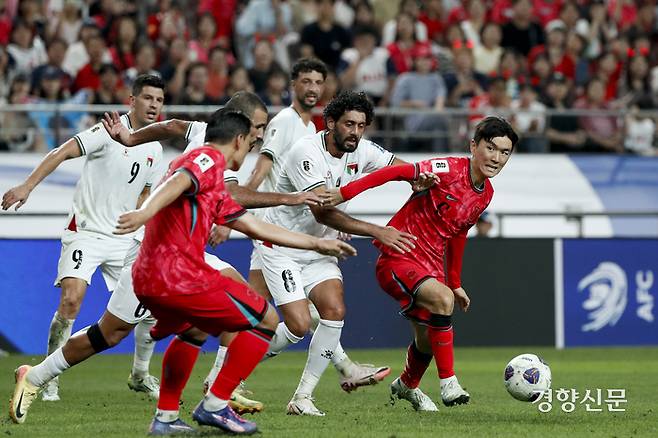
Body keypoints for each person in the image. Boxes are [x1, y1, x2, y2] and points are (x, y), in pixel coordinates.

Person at [204, 59, 391, 396]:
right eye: (306, 81)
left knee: (265, 311)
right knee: (282, 317)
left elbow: (326, 188)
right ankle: (226, 377)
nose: (313, 88)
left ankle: (225, 377)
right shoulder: (286, 124)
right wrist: (232, 214)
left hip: (296, 230)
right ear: (293, 84)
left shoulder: (313, 129)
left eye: (319, 81)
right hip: (274, 229)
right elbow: (260, 170)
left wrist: (336, 223)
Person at [323, 116, 518, 411]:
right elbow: (395, 172)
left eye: (505, 152)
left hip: (430, 267)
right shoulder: (448, 169)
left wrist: (455, 282)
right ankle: (449, 382)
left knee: (427, 339)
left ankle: (406, 385)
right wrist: (343, 192)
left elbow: (459, 233)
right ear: (473, 145)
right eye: (491, 148)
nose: (497, 158)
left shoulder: (486, 194)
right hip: (399, 255)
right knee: (442, 299)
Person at [255, 90, 427, 416]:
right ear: (331, 122)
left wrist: (418, 178)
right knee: (297, 325)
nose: (356, 132)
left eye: (362, 126)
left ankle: (302, 398)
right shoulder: (305, 153)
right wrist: (379, 231)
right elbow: (323, 213)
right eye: (349, 124)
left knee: (334, 310)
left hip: (321, 249)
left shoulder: (359, 149)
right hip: (283, 246)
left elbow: (393, 164)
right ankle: (233, 366)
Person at [2, 75, 167, 403]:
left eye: (159, 101)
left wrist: (147, 224)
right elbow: (62, 151)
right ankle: (48, 380)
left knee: (150, 307)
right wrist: (27, 186)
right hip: (87, 232)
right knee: (71, 300)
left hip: (125, 238)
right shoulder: (107, 130)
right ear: (131, 100)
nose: (153, 105)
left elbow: (145, 194)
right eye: (147, 98)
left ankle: (139, 374)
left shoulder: (155, 147)